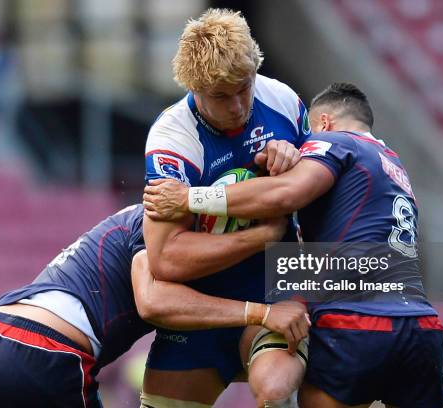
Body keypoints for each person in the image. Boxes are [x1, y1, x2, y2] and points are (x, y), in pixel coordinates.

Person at [144, 83, 443, 408]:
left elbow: (286, 193)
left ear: (324, 124)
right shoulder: (393, 165)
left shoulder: (335, 142)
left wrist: (191, 198)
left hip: (354, 321)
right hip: (422, 326)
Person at [0, 204, 310, 408]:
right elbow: (152, 302)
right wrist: (261, 312)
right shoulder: (165, 224)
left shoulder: (150, 221)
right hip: (45, 355)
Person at [142, 8, 312, 407]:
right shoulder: (173, 141)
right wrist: (263, 235)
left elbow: (323, 194)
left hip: (277, 292)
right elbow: (166, 260)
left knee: (275, 391)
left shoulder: (282, 100)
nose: (237, 105)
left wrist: (298, 164)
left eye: (244, 87)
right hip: (205, 306)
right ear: (194, 89)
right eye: (221, 96)